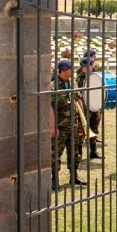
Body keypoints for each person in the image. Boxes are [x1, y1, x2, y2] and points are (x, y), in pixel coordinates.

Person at [51, 58, 87, 190]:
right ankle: (54, 179)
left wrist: (83, 120)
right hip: (60, 125)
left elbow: (78, 100)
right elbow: (50, 107)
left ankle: (74, 176)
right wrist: (53, 126)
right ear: (64, 71)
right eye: (70, 69)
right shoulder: (53, 86)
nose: (73, 71)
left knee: (74, 151)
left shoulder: (73, 84)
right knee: (56, 153)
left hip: (74, 124)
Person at [75, 54, 102, 159]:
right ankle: (79, 154)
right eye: (85, 66)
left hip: (94, 106)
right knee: (81, 131)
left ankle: (93, 151)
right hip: (84, 108)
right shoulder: (79, 79)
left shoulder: (96, 76)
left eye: (90, 66)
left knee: (94, 129)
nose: (88, 68)